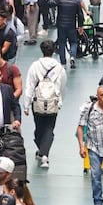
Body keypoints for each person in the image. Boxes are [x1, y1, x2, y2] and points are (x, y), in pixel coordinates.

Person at [22, 40, 67, 168]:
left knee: (39, 128)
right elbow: (63, 86)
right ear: (53, 51)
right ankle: (44, 153)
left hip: (37, 102)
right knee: (49, 128)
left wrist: (26, 104)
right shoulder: (59, 67)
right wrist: (60, 101)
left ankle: (43, 153)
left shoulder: (35, 66)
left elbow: (30, 85)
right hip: (53, 102)